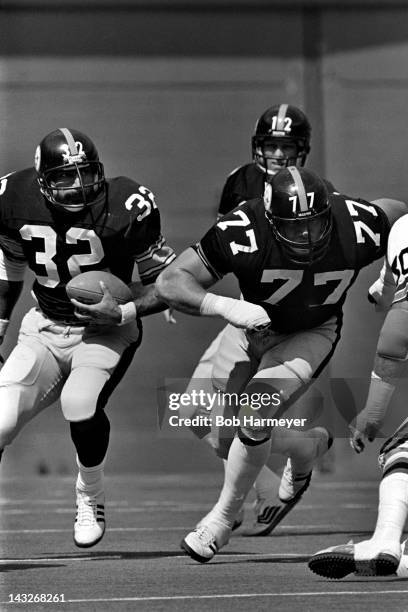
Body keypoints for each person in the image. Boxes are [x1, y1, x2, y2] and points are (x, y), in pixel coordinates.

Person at [156, 166, 407, 563]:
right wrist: (228, 307)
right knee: (200, 419)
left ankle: (220, 522)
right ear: (271, 222)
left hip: (310, 332)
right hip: (247, 328)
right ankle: (306, 448)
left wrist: (392, 279)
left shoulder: (355, 222)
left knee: (254, 415)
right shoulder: (244, 228)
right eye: (294, 228)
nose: (307, 237)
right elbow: (172, 281)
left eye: (315, 224)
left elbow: (399, 217)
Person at [0, 127, 175, 548]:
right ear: (43, 180)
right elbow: (9, 267)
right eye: (63, 177)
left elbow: (168, 285)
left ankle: (90, 494)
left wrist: (126, 308)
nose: (77, 186)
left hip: (106, 330)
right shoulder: (13, 196)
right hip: (44, 326)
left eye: (85, 174)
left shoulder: (127, 204)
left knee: (79, 403)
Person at [187, 104, 336, 537]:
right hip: (245, 316)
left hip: (288, 326)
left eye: (287, 146)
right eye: (271, 145)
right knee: (199, 417)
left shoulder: (315, 194)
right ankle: (304, 450)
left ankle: (240, 504)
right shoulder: (240, 182)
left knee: (237, 421)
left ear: (302, 151)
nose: (277, 154)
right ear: (258, 147)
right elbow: (221, 251)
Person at [308, 211, 408, 579]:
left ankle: (385, 539)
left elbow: (396, 326)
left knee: (402, 451)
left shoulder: (403, 228)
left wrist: (374, 412)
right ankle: (393, 548)